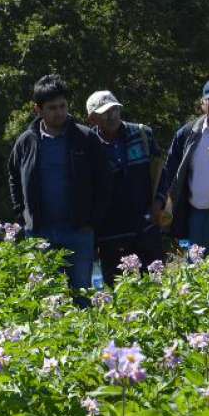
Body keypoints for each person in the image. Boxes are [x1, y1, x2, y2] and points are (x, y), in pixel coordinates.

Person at [7, 74, 110, 291]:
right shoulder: (27, 141)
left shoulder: (85, 139)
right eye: (52, 108)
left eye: (63, 106)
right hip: (40, 231)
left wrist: (92, 220)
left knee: (82, 292)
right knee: (45, 295)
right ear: (38, 110)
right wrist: (22, 214)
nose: (59, 112)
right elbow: (14, 176)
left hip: (78, 231)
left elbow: (104, 181)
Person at [85, 90, 164, 285]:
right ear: (93, 118)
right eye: (105, 112)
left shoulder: (143, 134)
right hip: (110, 236)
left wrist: (159, 201)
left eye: (115, 110)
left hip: (146, 229)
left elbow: (163, 173)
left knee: (157, 291)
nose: (112, 116)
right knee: (120, 296)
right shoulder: (88, 146)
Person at [154, 79, 209, 252]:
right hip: (197, 218)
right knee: (198, 270)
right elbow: (171, 172)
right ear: (202, 104)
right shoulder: (187, 134)